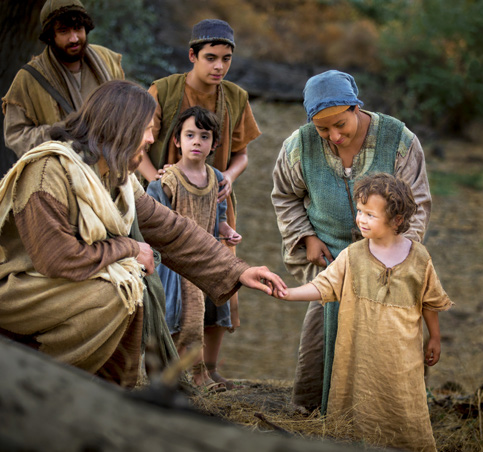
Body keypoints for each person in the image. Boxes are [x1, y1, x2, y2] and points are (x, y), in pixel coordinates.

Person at [0, 80, 286, 389]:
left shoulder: (117, 175)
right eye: (146, 129)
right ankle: (35, 381)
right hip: (21, 290)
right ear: (120, 127)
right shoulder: (48, 171)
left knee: (124, 286)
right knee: (116, 291)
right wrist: (129, 248)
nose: (151, 139)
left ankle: (108, 392)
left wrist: (238, 271)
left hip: (63, 286)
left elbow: (171, 230)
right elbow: (57, 258)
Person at [271, 70, 432, 412]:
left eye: (340, 125)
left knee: (390, 335)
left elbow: (416, 204)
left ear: (356, 107)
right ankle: (316, 413)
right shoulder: (298, 147)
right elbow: (284, 196)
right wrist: (307, 236)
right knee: (321, 336)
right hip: (328, 259)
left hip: (386, 259)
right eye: (323, 130)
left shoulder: (399, 141)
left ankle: (391, 414)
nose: (334, 136)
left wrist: (392, 254)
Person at [273, 173, 452, 451]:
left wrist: (435, 338)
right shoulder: (353, 255)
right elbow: (324, 286)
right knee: (357, 410)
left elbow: (430, 301)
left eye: (370, 214)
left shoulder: (419, 258)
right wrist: (288, 294)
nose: (361, 219)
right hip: (359, 358)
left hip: (402, 359)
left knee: (403, 407)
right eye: (359, 211)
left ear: (396, 220)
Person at [139, 19, 261, 388]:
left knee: (220, 277)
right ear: (192, 55)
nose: (219, 67)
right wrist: (154, 181)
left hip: (214, 197)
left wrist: (228, 178)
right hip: (169, 197)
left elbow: (241, 155)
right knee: (172, 284)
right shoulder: (164, 90)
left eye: (226, 59)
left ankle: (209, 367)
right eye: (210, 58)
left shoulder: (236, 97)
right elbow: (142, 144)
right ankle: (168, 363)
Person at [147, 106, 241, 392]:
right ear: (177, 140)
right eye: (190, 135)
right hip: (175, 265)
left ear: (214, 144)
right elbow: (153, 220)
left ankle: (200, 376)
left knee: (199, 319)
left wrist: (227, 232)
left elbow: (219, 216)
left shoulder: (216, 179)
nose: (197, 142)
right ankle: (165, 376)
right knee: (177, 321)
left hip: (205, 261)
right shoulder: (169, 180)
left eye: (204, 136)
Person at [2, 0, 124, 159]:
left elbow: (126, 111)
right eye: (64, 31)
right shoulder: (28, 78)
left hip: (111, 166)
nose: (74, 38)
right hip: (61, 173)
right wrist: (63, 132)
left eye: (78, 29)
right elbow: (15, 136)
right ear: (50, 36)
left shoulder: (107, 59)